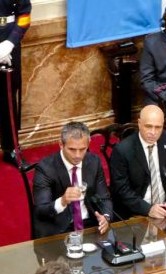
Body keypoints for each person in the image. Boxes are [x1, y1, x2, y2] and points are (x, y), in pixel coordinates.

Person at [33, 122, 112, 239]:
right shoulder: (45, 168)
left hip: (91, 225)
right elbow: (41, 210)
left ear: (88, 144)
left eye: (82, 149)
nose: (78, 155)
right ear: (61, 144)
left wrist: (106, 217)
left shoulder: (94, 162)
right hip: (59, 229)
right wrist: (62, 201)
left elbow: (104, 197)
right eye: (72, 149)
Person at [110, 105, 166, 219]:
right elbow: (122, 189)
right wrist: (148, 209)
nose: (153, 132)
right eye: (148, 126)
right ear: (139, 123)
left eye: (158, 127)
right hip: (138, 212)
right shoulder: (123, 150)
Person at [0, 0, 31, 167]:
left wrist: (10, 42)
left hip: (9, 46)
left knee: (8, 99)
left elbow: (24, 15)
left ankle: (11, 149)